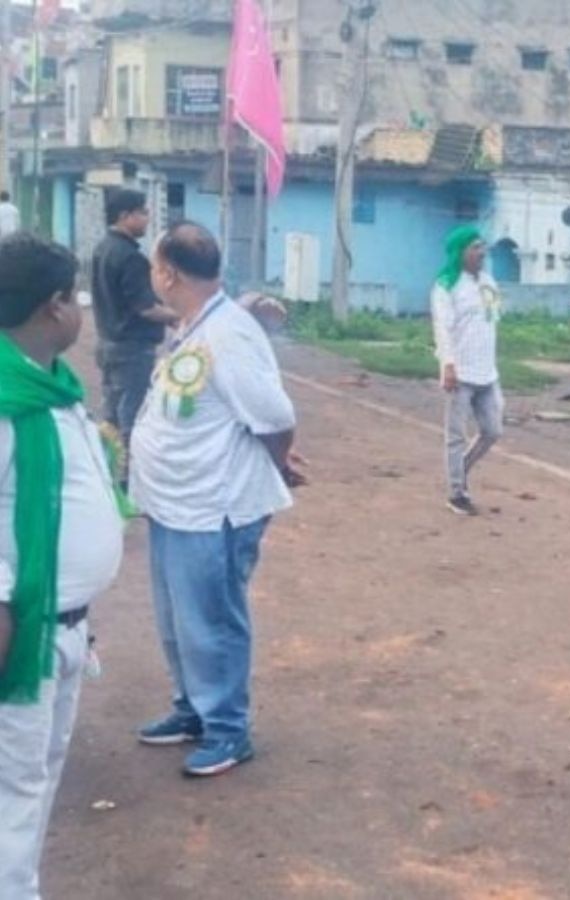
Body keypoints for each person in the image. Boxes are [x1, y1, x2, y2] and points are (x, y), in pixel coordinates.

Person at [130, 222, 300, 778]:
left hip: (214, 507)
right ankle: (193, 710)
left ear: (167, 273)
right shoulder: (196, 324)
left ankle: (228, 729)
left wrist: (276, 464)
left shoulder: (228, 333)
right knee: (178, 620)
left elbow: (274, 418)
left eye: (155, 265)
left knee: (212, 621)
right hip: (175, 502)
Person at [0, 233, 124, 898]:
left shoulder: (51, 387)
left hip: (66, 626)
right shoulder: (4, 396)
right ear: (52, 309)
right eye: (74, 296)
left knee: (37, 776)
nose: (81, 308)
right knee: (12, 789)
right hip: (21, 631)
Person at [91, 189, 179, 458]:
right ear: (124, 216)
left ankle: (111, 469)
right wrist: (181, 317)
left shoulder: (102, 248)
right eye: (142, 213)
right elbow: (147, 309)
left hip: (107, 342)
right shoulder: (131, 257)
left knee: (111, 415)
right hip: (132, 348)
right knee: (133, 415)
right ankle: (129, 474)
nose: (147, 218)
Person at [431, 225, 502, 517]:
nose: (481, 252)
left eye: (482, 246)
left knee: (493, 431)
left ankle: (461, 470)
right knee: (455, 435)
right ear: (460, 253)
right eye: (474, 247)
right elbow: (442, 328)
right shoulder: (446, 286)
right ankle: (457, 493)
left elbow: (491, 321)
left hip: (488, 372)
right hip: (460, 373)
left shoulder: (488, 282)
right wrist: (447, 365)